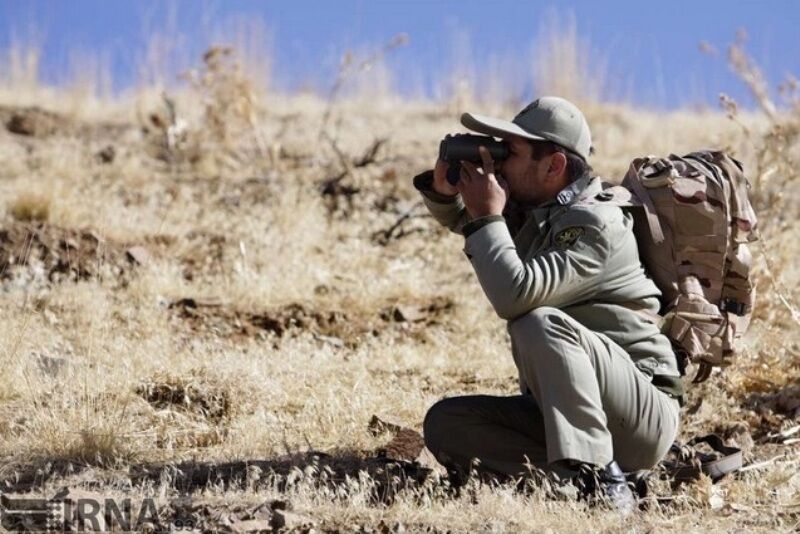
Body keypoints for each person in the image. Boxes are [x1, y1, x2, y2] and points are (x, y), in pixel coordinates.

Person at [413, 96, 683, 511]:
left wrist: (488, 215)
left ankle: (599, 480)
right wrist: (445, 193)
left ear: (554, 165)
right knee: (448, 423)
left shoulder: (596, 223)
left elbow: (514, 293)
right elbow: (473, 225)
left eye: (511, 152)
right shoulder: (542, 212)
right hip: (567, 411)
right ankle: (568, 481)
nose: (498, 162)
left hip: (640, 413)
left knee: (537, 322)